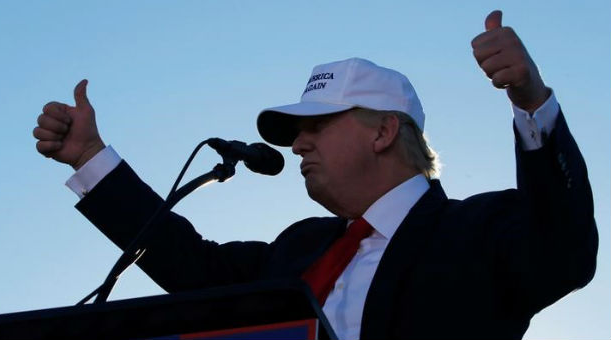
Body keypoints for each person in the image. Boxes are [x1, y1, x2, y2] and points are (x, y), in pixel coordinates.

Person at [34, 10, 597, 340]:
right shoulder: (300, 247)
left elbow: (564, 249)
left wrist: (530, 100)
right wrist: (90, 157)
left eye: (318, 126)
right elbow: (193, 268)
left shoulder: (478, 232)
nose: (299, 143)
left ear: (382, 133)